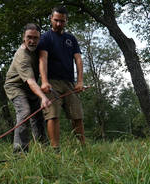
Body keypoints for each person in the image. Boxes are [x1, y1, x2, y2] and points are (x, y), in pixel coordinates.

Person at [38, 6, 85, 150]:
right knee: (52, 115)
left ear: (66, 21)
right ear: (51, 19)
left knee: (77, 115)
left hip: (69, 82)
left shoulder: (71, 38)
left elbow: (78, 59)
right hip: (52, 82)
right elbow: (42, 60)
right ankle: (55, 149)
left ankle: (82, 148)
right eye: (56, 20)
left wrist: (80, 81)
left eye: (62, 21)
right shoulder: (45, 37)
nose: (59, 24)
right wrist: (44, 81)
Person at [4, 23, 51, 154]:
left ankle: (43, 150)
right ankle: (19, 152)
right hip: (15, 86)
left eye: (35, 38)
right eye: (29, 37)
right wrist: (43, 97)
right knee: (24, 112)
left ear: (39, 38)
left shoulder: (40, 50)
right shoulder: (22, 56)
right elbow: (30, 81)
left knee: (38, 116)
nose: (32, 41)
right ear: (23, 38)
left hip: (31, 88)